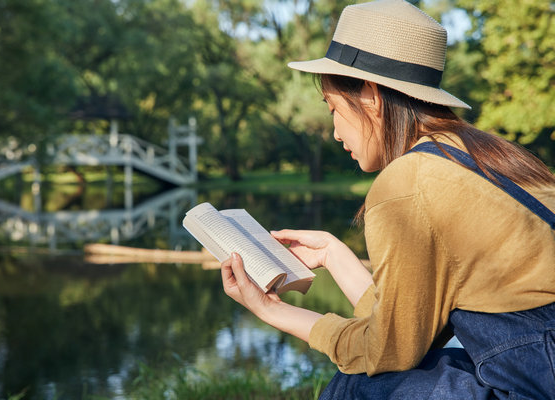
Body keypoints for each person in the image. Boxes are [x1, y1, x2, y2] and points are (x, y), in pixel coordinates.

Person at [220, 0, 555, 398]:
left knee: (358, 386)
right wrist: (334, 254)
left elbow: (388, 352)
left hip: (534, 383)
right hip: (539, 366)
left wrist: (273, 310)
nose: (335, 133)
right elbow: (408, 329)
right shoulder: (483, 155)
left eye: (332, 109)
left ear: (370, 96)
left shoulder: (407, 182)